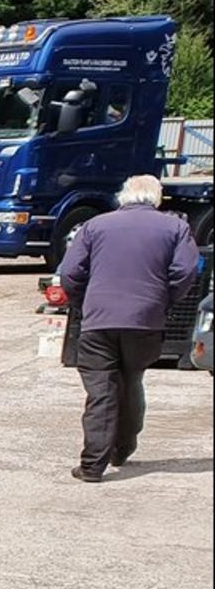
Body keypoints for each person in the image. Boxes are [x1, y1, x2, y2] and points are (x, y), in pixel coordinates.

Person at [57, 175, 201, 481]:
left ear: (123, 196)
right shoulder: (176, 228)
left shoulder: (95, 226)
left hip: (99, 320)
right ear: (157, 198)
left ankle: (93, 464)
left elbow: (70, 272)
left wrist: (85, 303)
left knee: (101, 389)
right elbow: (186, 271)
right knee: (131, 379)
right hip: (146, 320)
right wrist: (163, 300)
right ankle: (122, 449)